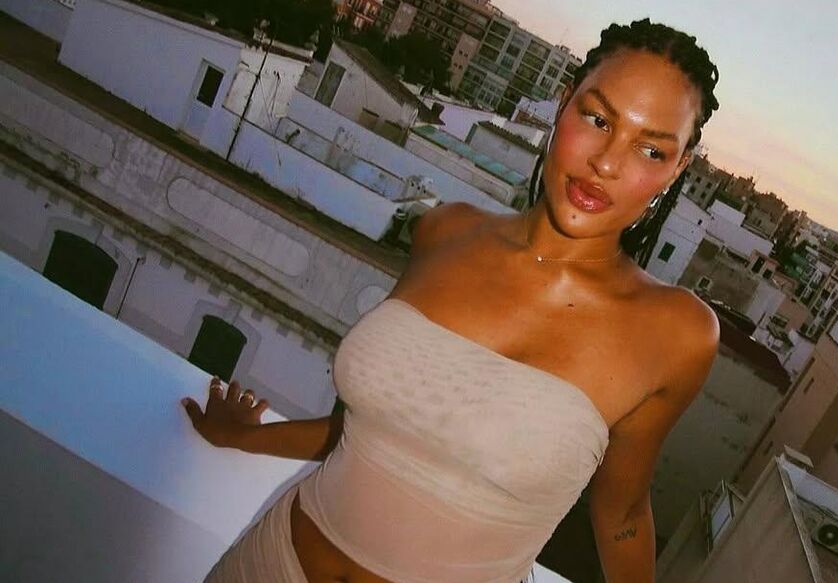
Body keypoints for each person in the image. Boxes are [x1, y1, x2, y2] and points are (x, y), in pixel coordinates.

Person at [182, 18, 721, 583]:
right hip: (269, 563)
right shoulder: (446, 230)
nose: (607, 162)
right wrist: (243, 436)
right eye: (597, 119)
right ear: (563, 104)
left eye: (651, 150)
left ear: (677, 168)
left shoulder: (677, 333)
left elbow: (622, 514)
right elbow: (361, 429)